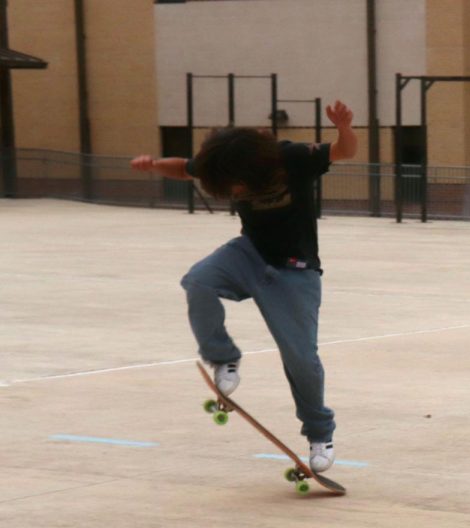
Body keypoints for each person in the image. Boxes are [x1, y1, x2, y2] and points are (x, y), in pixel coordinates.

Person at [130, 101, 358, 473]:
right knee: (198, 281)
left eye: (237, 185)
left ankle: (320, 434)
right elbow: (185, 168)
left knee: (300, 357)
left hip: (295, 270)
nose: (234, 190)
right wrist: (154, 164)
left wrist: (344, 127)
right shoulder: (220, 164)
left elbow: (344, 151)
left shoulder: (293, 158)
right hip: (250, 252)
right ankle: (224, 359)